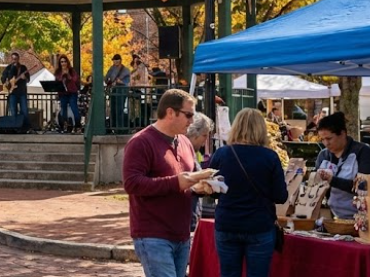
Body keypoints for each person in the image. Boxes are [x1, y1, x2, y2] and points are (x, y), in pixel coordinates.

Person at [122, 89, 199, 277]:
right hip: (153, 234)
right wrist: (176, 183)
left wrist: (202, 186)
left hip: (181, 234)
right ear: (170, 112)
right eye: (188, 115)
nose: (191, 121)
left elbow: (192, 176)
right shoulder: (141, 142)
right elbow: (132, 184)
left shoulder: (184, 142)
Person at [208, 109, 288, 277]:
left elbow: (212, 192)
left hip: (227, 223)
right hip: (260, 225)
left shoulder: (222, 154)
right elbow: (280, 196)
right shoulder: (270, 157)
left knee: (228, 273)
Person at [314, 112, 370, 219]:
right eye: (322, 139)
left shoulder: (362, 152)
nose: (326, 143)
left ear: (343, 134)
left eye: (329, 138)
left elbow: (365, 187)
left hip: (362, 219)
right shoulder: (323, 155)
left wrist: (332, 180)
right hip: (334, 216)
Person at [186, 113, 215, 230]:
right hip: (184, 220)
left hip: (191, 216)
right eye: (204, 136)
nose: (205, 142)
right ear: (194, 133)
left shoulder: (192, 152)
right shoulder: (183, 151)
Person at [0, 52, 30, 129]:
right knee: (13, 112)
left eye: (16, 59)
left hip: (22, 92)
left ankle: (25, 128)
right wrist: (6, 82)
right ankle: (15, 128)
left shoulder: (23, 68)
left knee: (24, 111)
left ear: (18, 59)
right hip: (12, 93)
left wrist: (24, 78)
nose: (14, 60)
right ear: (11, 59)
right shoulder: (8, 68)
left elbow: (28, 80)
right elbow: (3, 78)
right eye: (13, 59)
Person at [105, 54, 132, 131]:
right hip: (114, 89)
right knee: (113, 108)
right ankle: (113, 126)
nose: (115, 61)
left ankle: (120, 127)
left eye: (117, 60)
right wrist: (108, 82)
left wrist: (121, 82)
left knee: (120, 108)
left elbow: (128, 82)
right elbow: (106, 78)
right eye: (114, 60)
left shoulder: (126, 70)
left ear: (120, 60)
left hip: (122, 89)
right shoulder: (111, 68)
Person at [55, 55, 80, 133]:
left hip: (72, 92)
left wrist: (68, 75)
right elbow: (57, 82)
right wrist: (62, 75)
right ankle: (66, 126)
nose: (63, 63)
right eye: (61, 62)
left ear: (67, 62)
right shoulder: (58, 72)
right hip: (63, 93)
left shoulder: (72, 71)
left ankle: (78, 125)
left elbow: (75, 80)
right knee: (63, 110)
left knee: (74, 108)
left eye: (65, 61)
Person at [129, 55, 151, 126]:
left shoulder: (141, 69)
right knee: (138, 110)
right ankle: (139, 123)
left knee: (141, 110)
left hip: (142, 91)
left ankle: (141, 124)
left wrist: (134, 83)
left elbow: (139, 80)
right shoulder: (138, 69)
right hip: (139, 91)